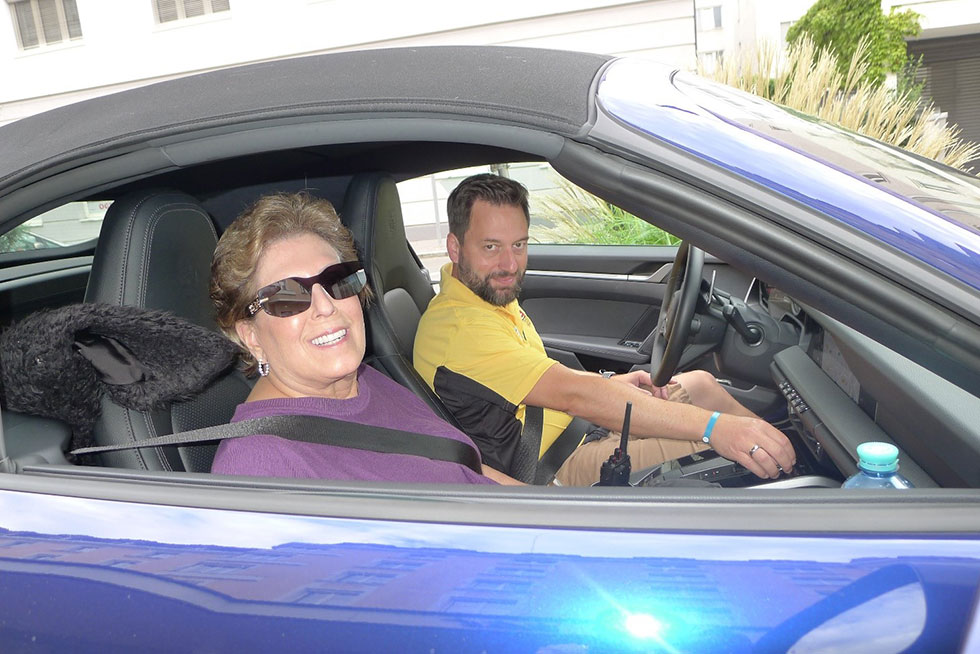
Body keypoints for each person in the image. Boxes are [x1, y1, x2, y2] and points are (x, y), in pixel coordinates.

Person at [414, 173, 796, 486]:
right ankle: (796, 482)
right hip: (560, 462)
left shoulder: (483, 297)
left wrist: (615, 384)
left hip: (578, 428)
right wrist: (717, 429)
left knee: (701, 384)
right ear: (454, 246)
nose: (510, 264)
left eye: (519, 245)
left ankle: (788, 456)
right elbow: (575, 395)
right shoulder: (459, 328)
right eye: (491, 247)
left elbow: (541, 380)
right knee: (718, 444)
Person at [209, 192, 518, 485]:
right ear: (251, 337)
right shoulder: (258, 464)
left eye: (337, 281)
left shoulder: (366, 381)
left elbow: (466, 470)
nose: (326, 306)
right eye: (287, 295)